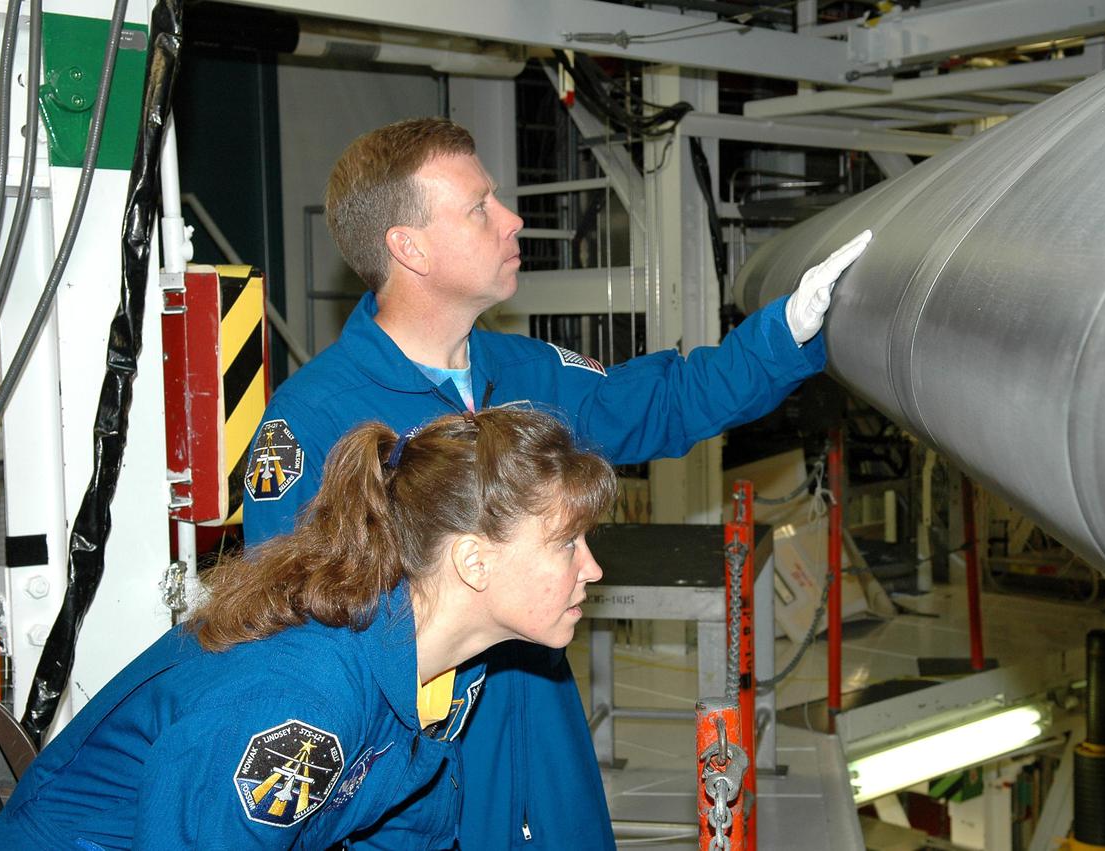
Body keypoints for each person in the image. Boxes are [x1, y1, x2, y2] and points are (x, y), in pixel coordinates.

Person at [243, 117, 871, 848]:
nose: (512, 221)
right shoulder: (312, 422)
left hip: (544, 735)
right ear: (408, 247)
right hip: (411, 777)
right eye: (480, 207)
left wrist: (783, 335)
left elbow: (662, 404)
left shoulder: (525, 373)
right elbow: (292, 640)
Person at [0, 408, 616, 850]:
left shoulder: (445, 673)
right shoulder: (303, 697)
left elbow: (408, 831)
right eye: (566, 544)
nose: (592, 567)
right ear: (473, 561)